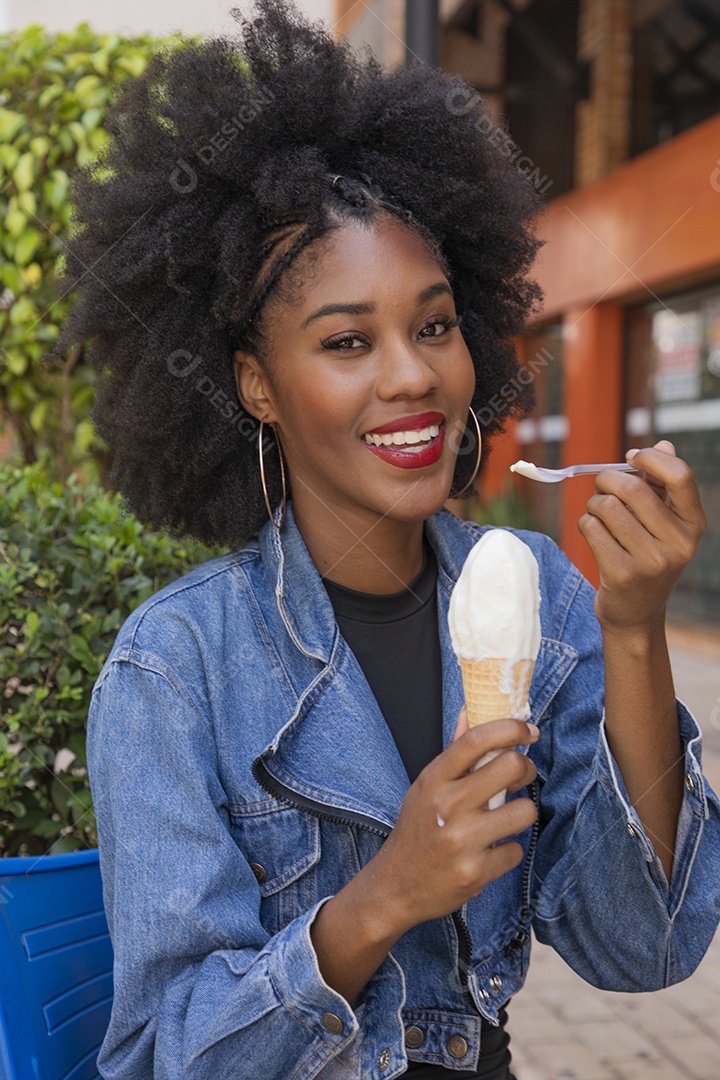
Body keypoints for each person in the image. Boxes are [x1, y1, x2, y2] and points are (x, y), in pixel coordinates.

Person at [55, 1, 720, 1077]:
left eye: (436, 323)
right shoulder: (176, 668)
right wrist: (382, 900)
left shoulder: (544, 597)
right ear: (256, 384)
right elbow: (162, 1052)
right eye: (348, 340)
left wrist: (636, 631)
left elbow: (641, 947)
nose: (412, 374)